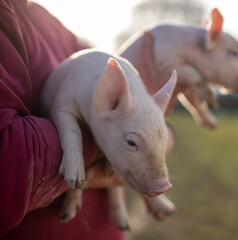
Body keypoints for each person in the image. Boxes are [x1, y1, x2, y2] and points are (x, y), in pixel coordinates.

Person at [0, 1, 174, 239]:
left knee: (117, 147)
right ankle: (99, 201)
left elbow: (135, 128)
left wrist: (165, 135)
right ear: (109, 99)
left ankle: (117, 206)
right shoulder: (9, 16)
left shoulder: (52, 26)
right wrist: (75, 153)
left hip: (101, 229)